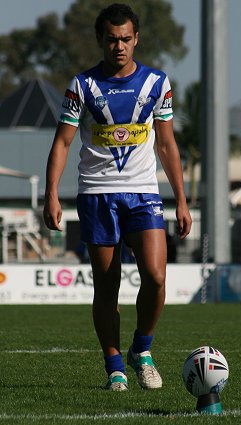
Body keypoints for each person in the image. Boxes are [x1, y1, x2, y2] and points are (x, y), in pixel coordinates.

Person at [43, 3, 192, 392]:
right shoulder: (82, 86)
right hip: (96, 194)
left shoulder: (158, 83)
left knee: (157, 277)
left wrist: (182, 198)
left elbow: (167, 144)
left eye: (126, 39)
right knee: (106, 287)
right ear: (101, 40)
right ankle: (115, 367)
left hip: (144, 193)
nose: (119, 46)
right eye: (112, 39)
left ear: (136, 38)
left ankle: (141, 350)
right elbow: (62, 142)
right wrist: (51, 195)